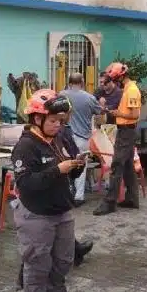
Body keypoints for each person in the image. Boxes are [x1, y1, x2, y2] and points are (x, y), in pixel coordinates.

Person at [11, 89, 84, 292]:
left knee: (62, 263)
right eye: (53, 121)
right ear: (37, 118)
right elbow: (26, 184)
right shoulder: (26, 146)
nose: (58, 125)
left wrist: (76, 166)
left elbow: (69, 173)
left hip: (62, 212)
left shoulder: (58, 138)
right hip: (37, 216)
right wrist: (58, 170)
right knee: (37, 269)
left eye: (60, 121)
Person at [93, 62, 141, 216]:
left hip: (127, 131)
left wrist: (117, 114)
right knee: (127, 166)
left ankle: (110, 202)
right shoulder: (127, 89)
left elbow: (134, 115)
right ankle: (132, 199)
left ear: (120, 78)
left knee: (117, 164)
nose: (113, 83)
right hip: (124, 130)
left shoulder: (132, 91)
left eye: (114, 79)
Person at [60, 73, 102, 205]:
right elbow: (100, 115)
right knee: (80, 165)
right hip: (82, 137)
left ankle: (64, 193)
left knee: (64, 163)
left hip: (63, 135)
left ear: (69, 82)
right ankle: (78, 197)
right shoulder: (90, 98)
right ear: (82, 83)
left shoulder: (61, 95)